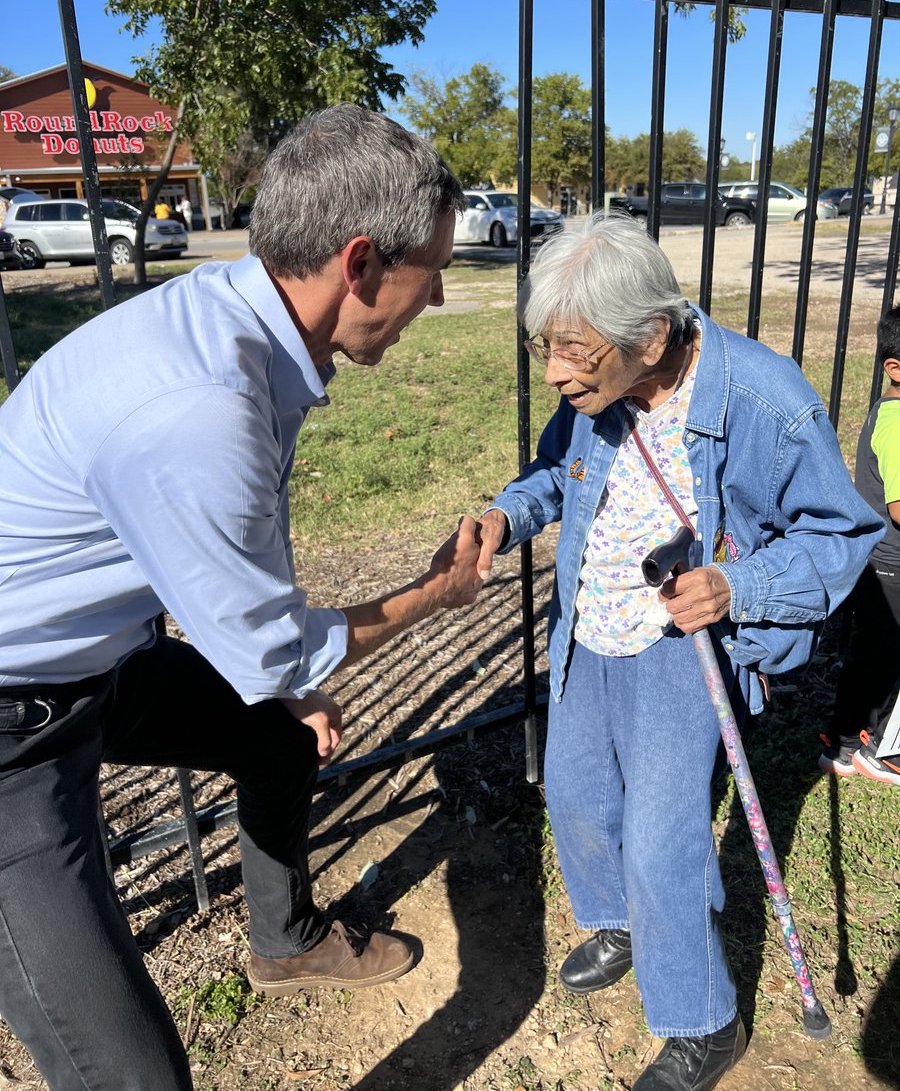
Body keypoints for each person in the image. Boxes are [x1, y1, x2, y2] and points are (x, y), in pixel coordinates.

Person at [0, 103, 483, 1091]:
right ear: (359, 263)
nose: (435, 298)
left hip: (103, 662)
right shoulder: (201, 405)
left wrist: (285, 687)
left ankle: (287, 939)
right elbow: (276, 652)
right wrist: (437, 592)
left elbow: (239, 594)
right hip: (14, 725)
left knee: (275, 735)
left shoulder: (241, 317)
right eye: (431, 269)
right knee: (134, 1079)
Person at [475, 212, 882, 1091]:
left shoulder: (767, 400)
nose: (553, 372)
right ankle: (622, 922)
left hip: (678, 651)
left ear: (651, 336)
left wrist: (742, 587)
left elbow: (841, 534)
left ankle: (704, 1019)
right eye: (548, 346)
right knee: (578, 798)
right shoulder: (591, 392)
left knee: (664, 843)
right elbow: (555, 472)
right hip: (588, 628)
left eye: (574, 353)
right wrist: (510, 515)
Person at [819, 305, 900, 786]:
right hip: (891, 562)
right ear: (895, 368)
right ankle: (874, 748)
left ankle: (845, 739)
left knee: (876, 651)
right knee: (885, 654)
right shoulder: (895, 421)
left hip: (884, 562)